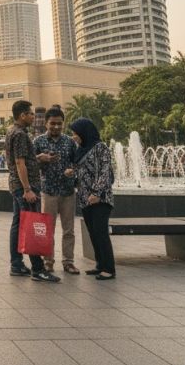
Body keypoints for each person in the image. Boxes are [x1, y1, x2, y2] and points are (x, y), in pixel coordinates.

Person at [5, 100, 60, 283]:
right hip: (25, 187)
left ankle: (16, 264)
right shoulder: (20, 134)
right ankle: (38, 269)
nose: (33, 117)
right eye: (30, 114)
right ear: (22, 115)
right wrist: (27, 189)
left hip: (16, 185)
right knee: (32, 226)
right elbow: (19, 162)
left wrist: (38, 158)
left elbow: (21, 160)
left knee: (18, 224)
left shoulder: (12, 131)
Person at [33, 107, 79, 274]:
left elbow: (77, 162)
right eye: (53, 123)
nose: (56, 127)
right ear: (46, 123)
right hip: (48, 191)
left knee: (69, 230)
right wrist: (40, 158)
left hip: (68, 191)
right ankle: (48, 261)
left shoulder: (69, 142)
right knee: (47, 229)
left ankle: (68, 262)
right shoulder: (38, 142)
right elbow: (29, 164)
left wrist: (72, 170)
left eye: (59, 123)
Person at [70, 118, 116, 280]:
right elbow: (82, 173)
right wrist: (72, 174)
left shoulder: (100, 147)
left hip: (100, 198)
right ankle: (100, 264)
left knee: (101, 232)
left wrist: (96, 193)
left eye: (76, 133)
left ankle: (109, 268)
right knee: (93, 233)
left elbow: (105, 172)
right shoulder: (81, 149)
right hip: (85, 198)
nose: (74, 136)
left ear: (85, 132)